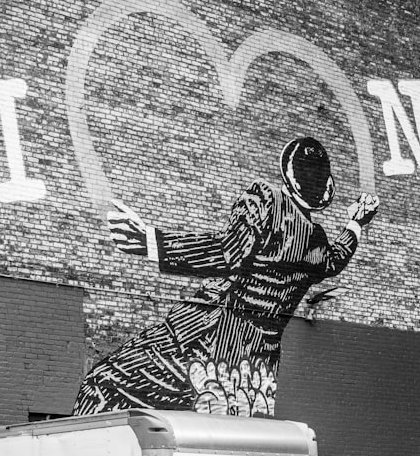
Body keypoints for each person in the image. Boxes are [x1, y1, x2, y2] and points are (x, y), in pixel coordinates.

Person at [73, 137, 380, 416]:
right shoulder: (316, 242)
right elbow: (336, 259)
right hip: (253, 374)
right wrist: (355, 223)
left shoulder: (265, 200)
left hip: (203, 345)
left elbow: (228, 253)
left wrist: (150, 241)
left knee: (101, 385)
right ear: (322, 190)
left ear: (288, 173)